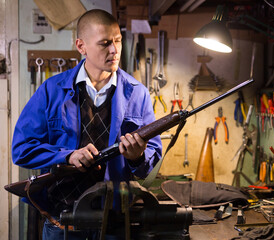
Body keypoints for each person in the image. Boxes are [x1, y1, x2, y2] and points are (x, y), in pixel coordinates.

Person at [11, 9, 162, 239]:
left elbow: (149, 164)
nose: (114, 50)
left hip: (115, 225)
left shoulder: (137, 94)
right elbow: (22, 150)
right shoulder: (51, 91)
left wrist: (137, 157)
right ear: (81, 46)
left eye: (118, 41)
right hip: (62, 225)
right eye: (104, 43)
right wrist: (66, 156)